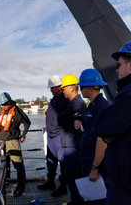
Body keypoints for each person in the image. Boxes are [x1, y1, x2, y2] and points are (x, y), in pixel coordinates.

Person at [93, 39, 131, 204]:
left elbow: (101, 127)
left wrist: (108, 132)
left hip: (127, 188)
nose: (117, 70)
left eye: (119, 65)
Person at [75, 69, 111, 205]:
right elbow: (91, 132)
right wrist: (81, 126)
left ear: (90, 87)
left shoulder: (102, 107)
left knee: (98, 200)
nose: (79, 90)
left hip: (97, 163)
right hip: (88, 159)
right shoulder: (92, 106)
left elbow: (103, 139)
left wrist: (95, 168)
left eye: (81, 86)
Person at [38, 75, 70, 197]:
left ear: (59, 87)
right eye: (50, 88)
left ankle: (63, 187)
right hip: (50, 136)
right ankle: (50, 182)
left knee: (62, 162)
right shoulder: (53, 99)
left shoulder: (65, 100)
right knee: (50, 161)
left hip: (59, 136)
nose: (51, 90)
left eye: (52, 88)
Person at [57, 74, 86, 205]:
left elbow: (61, 120)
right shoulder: (71, 104)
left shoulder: (77, 104)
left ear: (72, 88)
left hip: (74, 148)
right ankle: (75, 200)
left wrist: (62, 119)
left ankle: (78, 201)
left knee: (75, 178)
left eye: (64, 88)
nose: (62, 90)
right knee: (70, 177)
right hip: (68, 145)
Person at [0, 92, 31, 197]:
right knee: (4, 165)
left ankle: (21, 187)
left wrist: (23, 135)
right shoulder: (3, 111)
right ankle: (6, 182)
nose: (4, 106)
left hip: (12, 141)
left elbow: (27, 123)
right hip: (2, 142)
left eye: (6, 103)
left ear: (10, 101)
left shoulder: (17, 111)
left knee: (18, 165)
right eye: (2, 104)